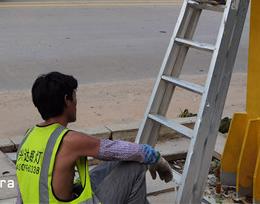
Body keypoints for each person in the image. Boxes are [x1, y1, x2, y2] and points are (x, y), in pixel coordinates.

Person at [15, 72, 173, 204]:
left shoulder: (28, 137)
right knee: (135, 165)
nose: (76, 102)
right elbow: (114, 149)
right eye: (74, 96)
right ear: (66, 100)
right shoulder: (69, 140)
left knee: (119, 161)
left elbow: (22, 192)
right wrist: (155, 157)